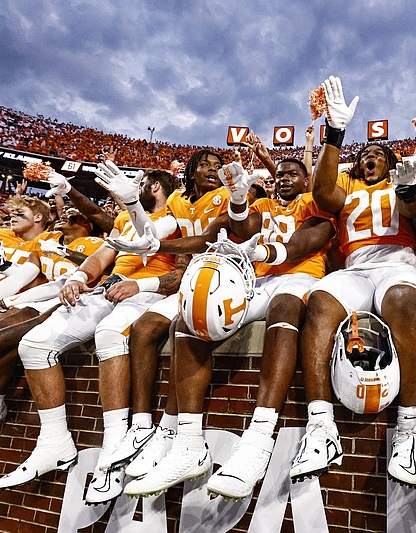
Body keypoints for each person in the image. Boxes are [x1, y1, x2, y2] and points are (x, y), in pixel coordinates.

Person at [118, 158, 335, 499]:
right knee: (189, 319)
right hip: (261, 279)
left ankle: (260, 438)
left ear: (307, 178)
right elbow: (245, 227)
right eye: (279, 175)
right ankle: (188, 442)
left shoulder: (314, 202)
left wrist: (267, 249)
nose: (284, 180)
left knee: (285, 307)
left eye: (293, 174)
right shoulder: (262, 204)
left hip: (302, 276)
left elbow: (312, 238)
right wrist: (237, 199)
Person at [0, 169, 181, 506]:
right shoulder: (124, 217)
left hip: (151, 292)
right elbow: (103, 256)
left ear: (154, 188)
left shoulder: (178, 213)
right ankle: (54, 440)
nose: (127, 190)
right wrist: (78, 277)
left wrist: (140, 280)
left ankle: (114, 449)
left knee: (110, 335)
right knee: (33, 344)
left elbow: (165, 252)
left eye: (136, 185)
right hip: (110, 288)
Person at [290, 76, 416, 487]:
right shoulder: (346, 188)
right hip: (355, 266)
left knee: (403, 302)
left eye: (376, 155)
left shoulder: (402, 177)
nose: (369, 159)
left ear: (388, 161)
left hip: (398, 262)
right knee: (318, 303)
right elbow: (321, 190)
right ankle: (321, 427)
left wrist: (406, 186)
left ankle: (410, 428)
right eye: (364, 155)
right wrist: (335, 132)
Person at [96, 149, 228, 479]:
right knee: (144, 328)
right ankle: (142, 425)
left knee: (184, 327)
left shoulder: (231, 193)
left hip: (227, 275)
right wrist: (132, 205)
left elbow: (208, 237)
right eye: (206, 165)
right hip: (192, 277)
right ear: (192, 173)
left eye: (218, 166)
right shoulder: (181, 203)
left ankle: (170, 430)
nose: (213, 170)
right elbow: (151, 236)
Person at [0, 209, 103, 433]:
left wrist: (68, 254)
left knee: (19, 324)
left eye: (74, 215)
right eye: (65, 211)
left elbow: (98, 269)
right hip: (43, 297)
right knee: (4, 317)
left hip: (77, 303)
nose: (66, 213)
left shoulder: (95, 243)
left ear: (89, 223)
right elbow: (23, 277)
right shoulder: (44, 239)